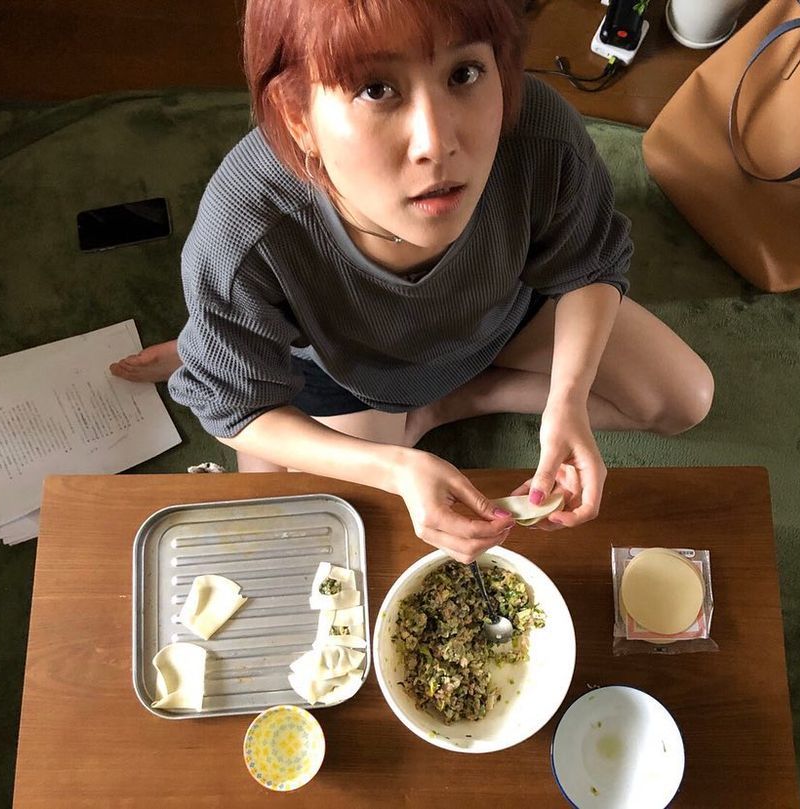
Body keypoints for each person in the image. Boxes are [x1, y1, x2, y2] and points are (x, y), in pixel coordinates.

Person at [110, 0, 713, 563]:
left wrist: (568, 399)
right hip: (350, 369)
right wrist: (394, 467)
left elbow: (587, 261)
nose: (437, 143)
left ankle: (443, 404)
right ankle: (215, 342)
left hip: (501, 314)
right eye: (377, 89)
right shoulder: (245, 230)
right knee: (292, 524)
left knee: (685, 399)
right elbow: (238, 410)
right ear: (298, 119)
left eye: (464, 74)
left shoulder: (539, 134)